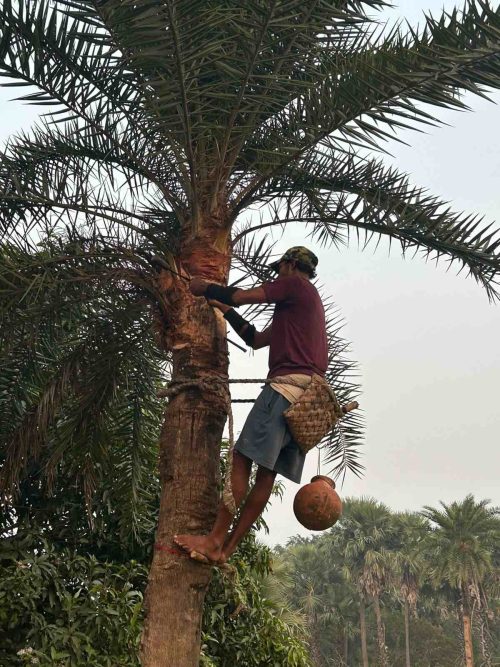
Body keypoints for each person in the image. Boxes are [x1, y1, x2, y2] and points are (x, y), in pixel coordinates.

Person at [174, 246, 328, 564]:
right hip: (308, 401)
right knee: (266, 475)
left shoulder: (295, 285)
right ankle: (225, 550)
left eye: (279, 269)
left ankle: (215, 539)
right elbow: (256, 340)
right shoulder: (303, 308)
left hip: (285, 390)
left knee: (243, 459)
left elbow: (242, 296)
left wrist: (205, 288)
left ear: (289, 265)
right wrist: (225, 311)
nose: (277, 275)